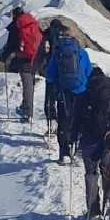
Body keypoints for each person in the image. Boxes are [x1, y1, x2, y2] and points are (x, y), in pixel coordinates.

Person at [72, 68, 110, 220]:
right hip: (109, 142)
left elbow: (75, 120)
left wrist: (72, 138)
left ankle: (93, 213)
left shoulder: (82, 97)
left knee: (91, 175)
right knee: (109, 173)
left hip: (89, 143)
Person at [43, 23, 93, 161]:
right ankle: (76, 148)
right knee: (79, 120)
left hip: (63, 93)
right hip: (81, 92)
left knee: (64, 121)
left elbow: (50, 75)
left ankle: (64, 152)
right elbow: (89, 73)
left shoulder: (57, 52)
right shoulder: (82, 53)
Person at [0, 3, 44, 121]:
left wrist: (4, 57)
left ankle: (27, 111)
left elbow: (11, 44)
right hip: (35, 57)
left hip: (24, 58)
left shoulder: (17, 26)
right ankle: (26, 108)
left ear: (14, 16)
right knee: (30, 84)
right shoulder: (32, 22)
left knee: (27, 84)